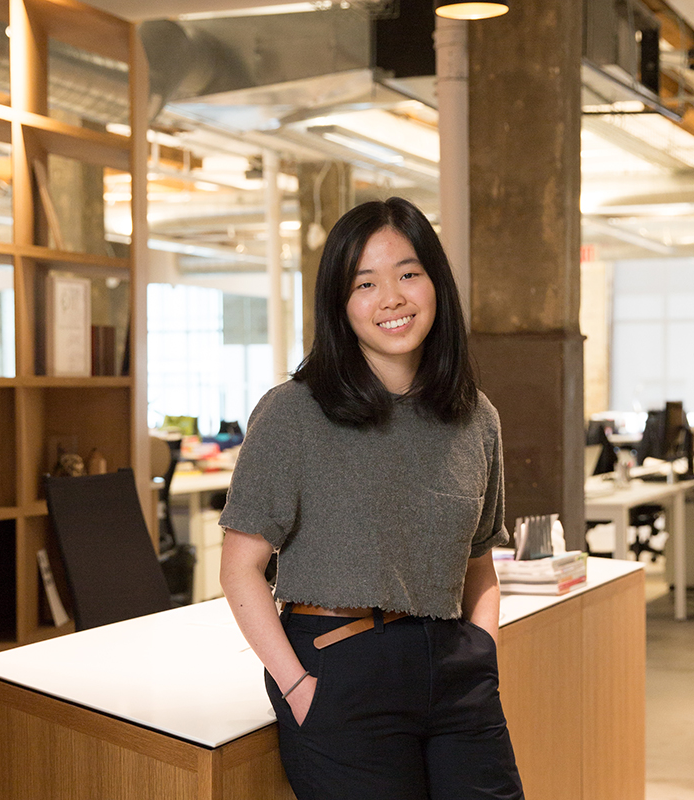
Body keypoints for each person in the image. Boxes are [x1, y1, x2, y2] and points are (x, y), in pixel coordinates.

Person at [218, 197, 523, 800]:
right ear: (340, 303)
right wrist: (299, 688)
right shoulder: (292, 413)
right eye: (365, 283)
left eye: (409, 274)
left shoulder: (475, 418)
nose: (393, 298)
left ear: (437, 283)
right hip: (341, 672)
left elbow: (480, 565)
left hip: (455, 672)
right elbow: (240, 569)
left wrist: (481, 652)